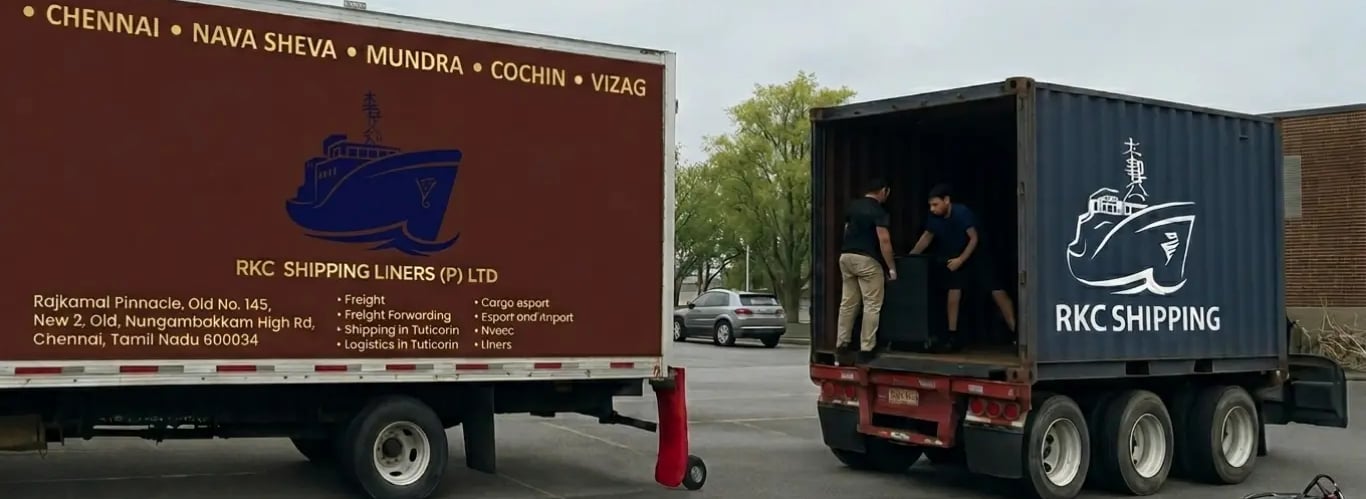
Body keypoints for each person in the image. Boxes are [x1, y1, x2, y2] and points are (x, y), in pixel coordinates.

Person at [909, 183, 1016, 353]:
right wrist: (911, 257)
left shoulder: (962, 213)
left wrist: (961, 260)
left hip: (978, 255)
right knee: (953, 292)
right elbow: (927, 237)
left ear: (947, 201)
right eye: (930, 205)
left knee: (996, 291)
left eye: (935, 204)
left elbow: (974, 239)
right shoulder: (934, 218)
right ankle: (953, 336)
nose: (932, 209)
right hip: (956, 255)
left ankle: (1015, 333)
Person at [836, 178, 898, 363]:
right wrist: (891, 268)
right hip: (867, 260)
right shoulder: (878, 210)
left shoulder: (852, 207)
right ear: (884, 191)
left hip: (846, 257)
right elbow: (884, 240)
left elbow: (846, 230)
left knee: (848, 303)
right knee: (872, 304)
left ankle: (842, 344)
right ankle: (867, 348)